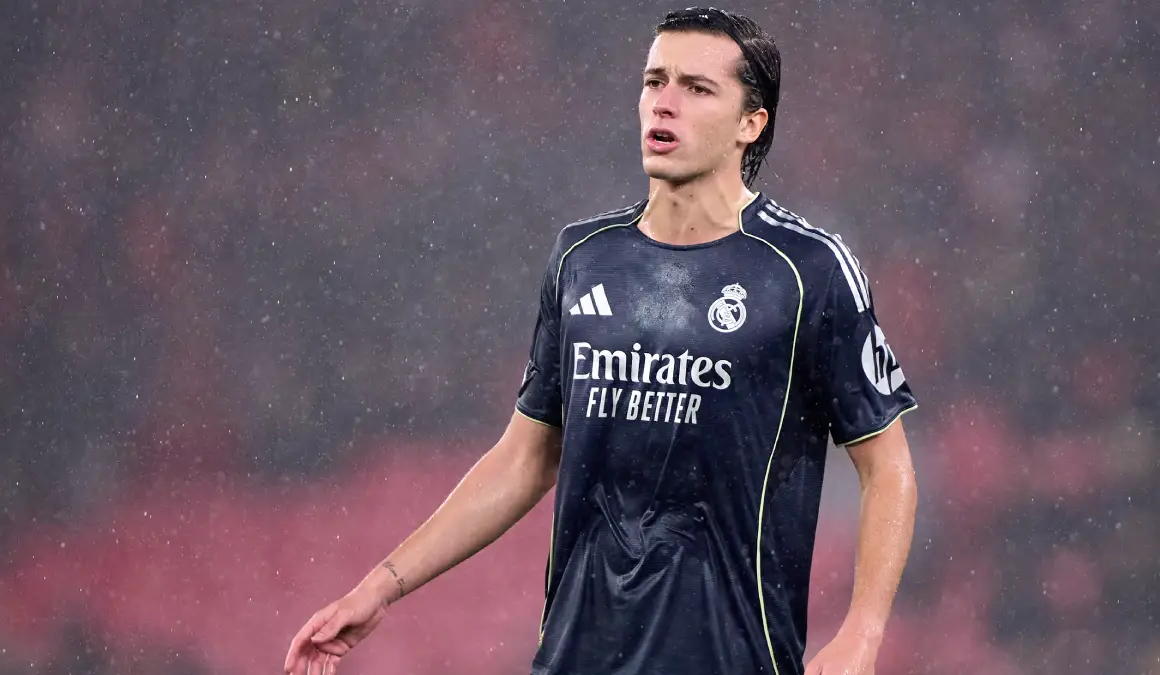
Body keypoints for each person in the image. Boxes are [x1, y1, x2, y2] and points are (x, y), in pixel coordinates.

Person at [284, 7, 918, 675]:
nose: (664, 102)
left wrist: (863, 630)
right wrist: (380, 586)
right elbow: (526, 456)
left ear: (750, 123)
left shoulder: (806, 269)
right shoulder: (583, 257)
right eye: (655, 80)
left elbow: (888, 467)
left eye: (697, 88)